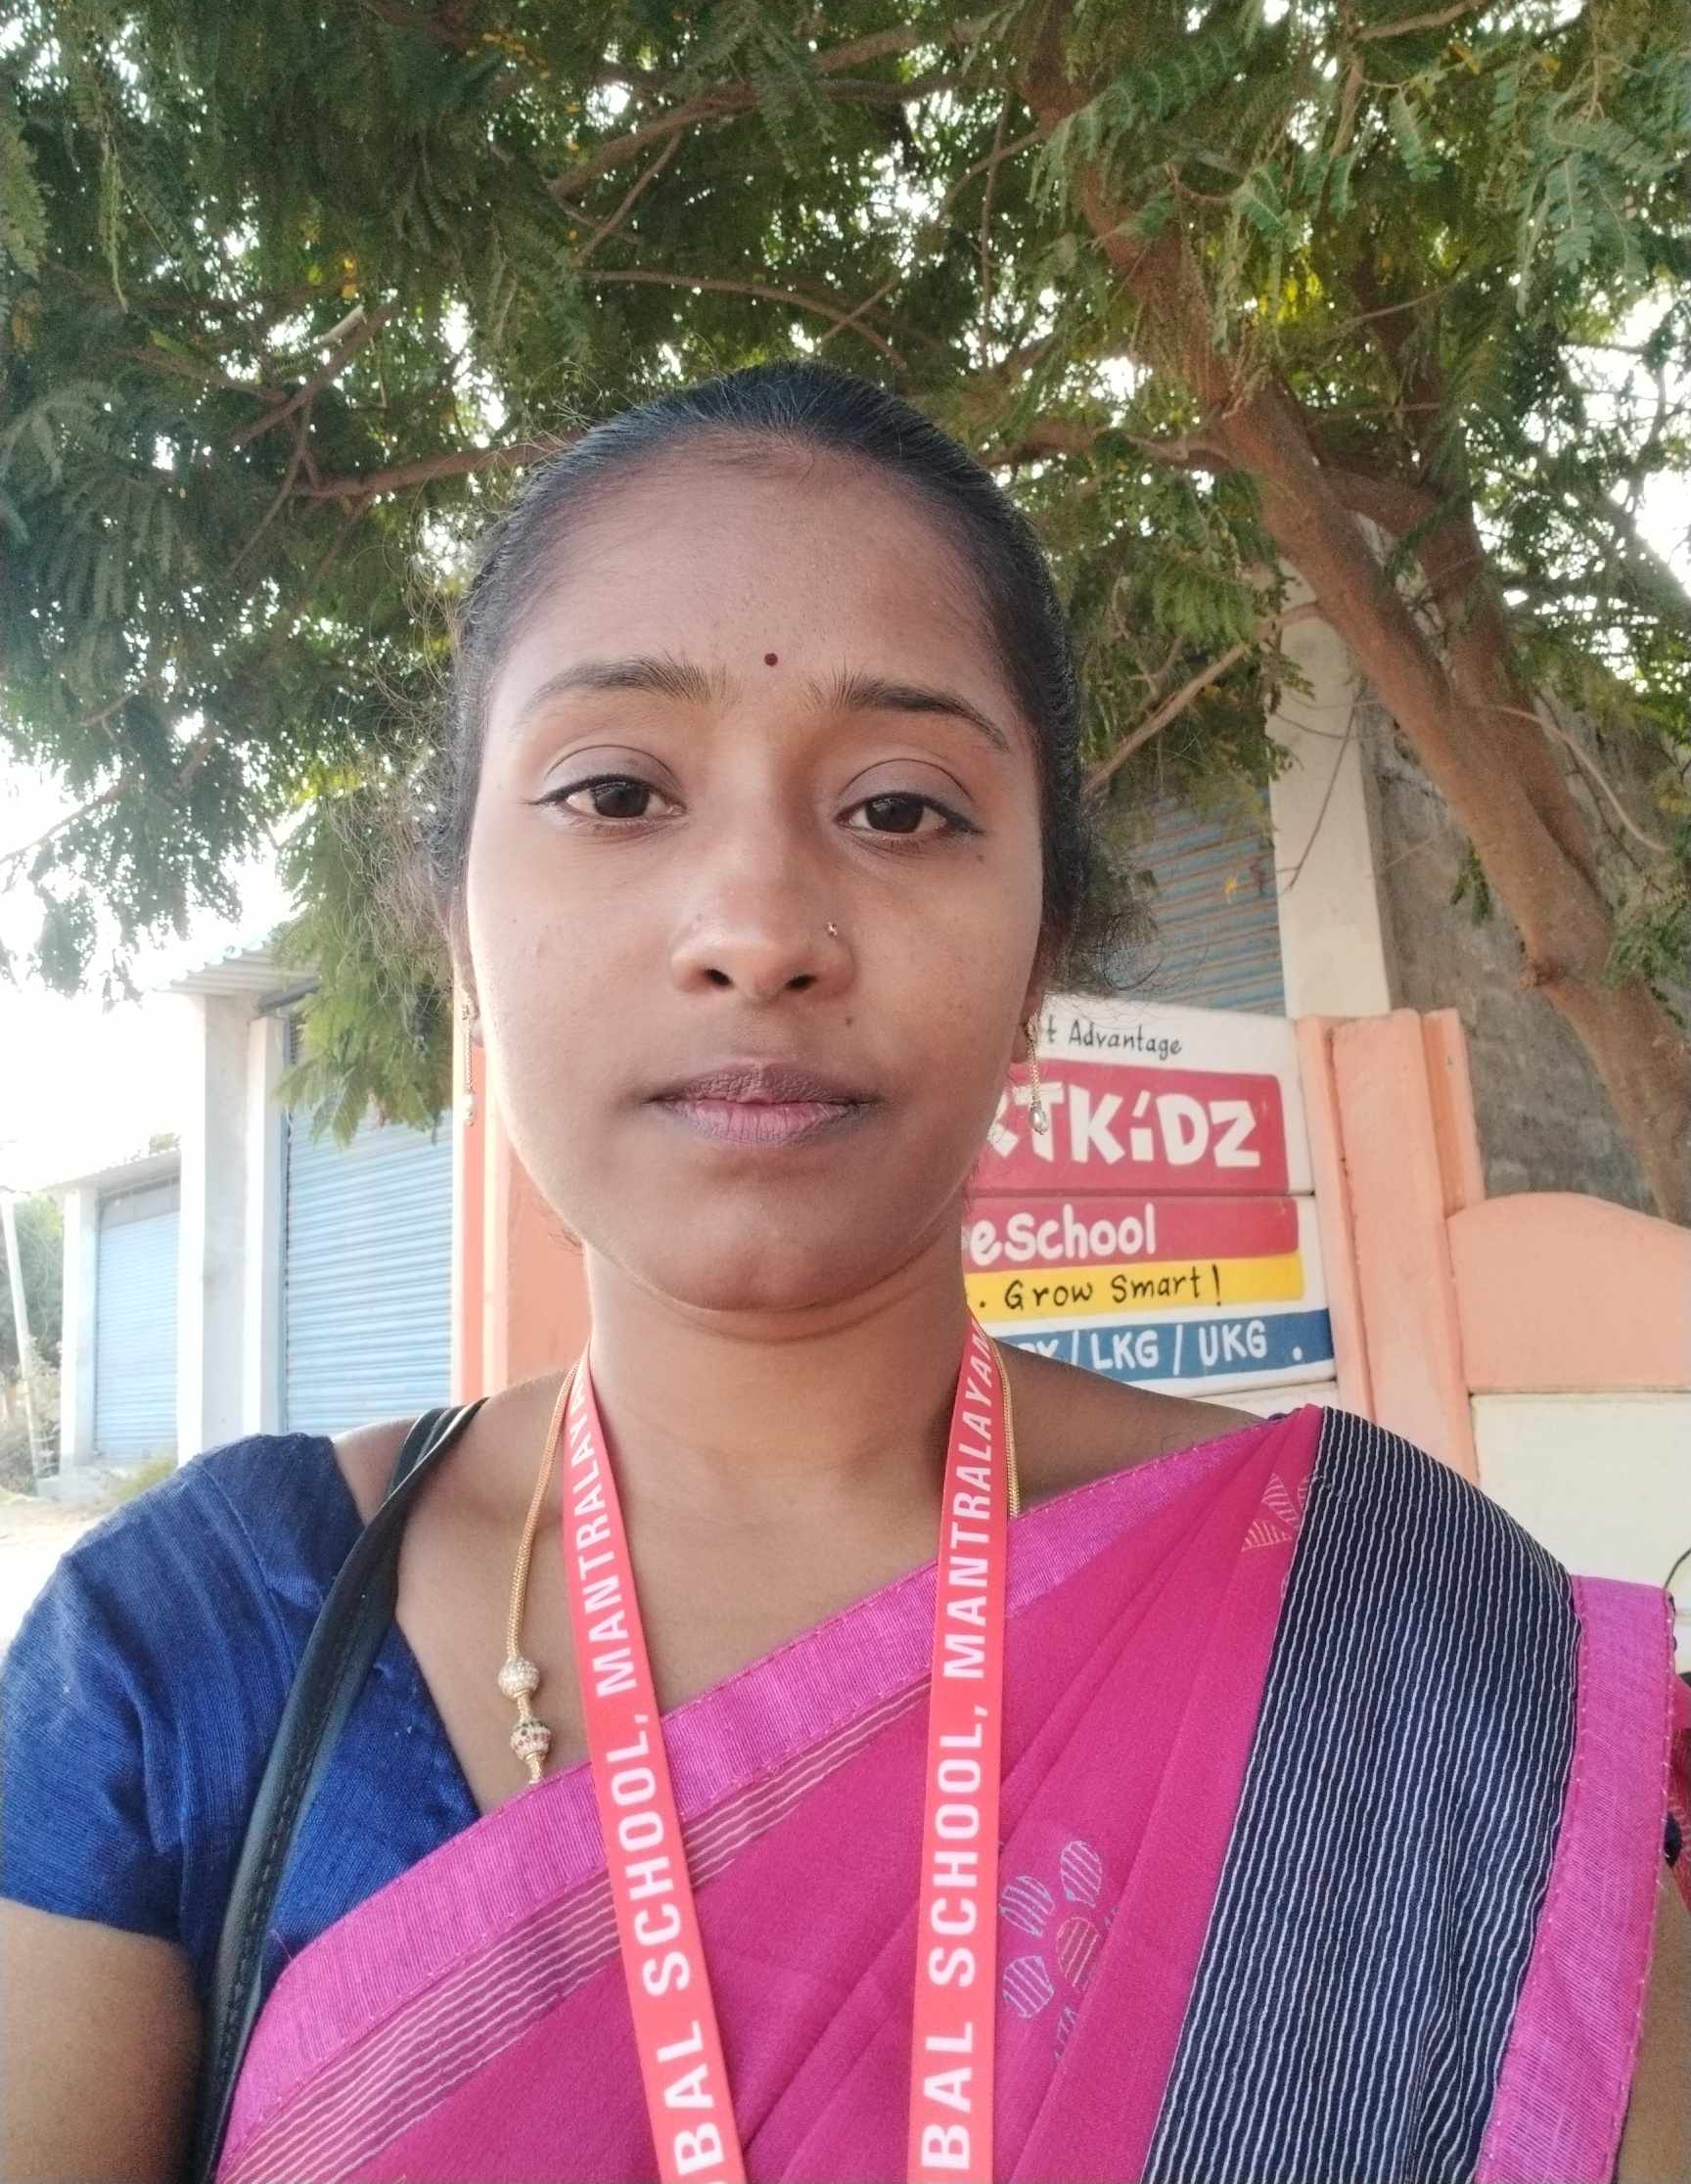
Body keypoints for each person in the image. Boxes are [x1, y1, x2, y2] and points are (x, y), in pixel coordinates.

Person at [3, 361, 1686, 2184]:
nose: (759, 932)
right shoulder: (183, 1660)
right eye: (615, 789)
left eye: (900, 809)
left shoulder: (1401, 1633)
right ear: (458, 926)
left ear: (1043, 951)